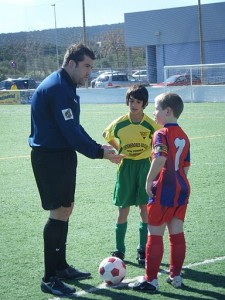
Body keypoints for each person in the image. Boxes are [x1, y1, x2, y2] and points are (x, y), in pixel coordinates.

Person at [29, 43, 122, 297]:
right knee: (58, 212)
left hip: (61, 156)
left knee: (65, 209)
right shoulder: (59, 88)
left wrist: (96, 146)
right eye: (86, 66)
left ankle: (61, 267)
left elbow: (74, 127)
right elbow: (70, 133)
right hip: (50, 158)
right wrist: (99, 152)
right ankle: (50, 278)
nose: (89, 72)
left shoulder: (65, 85)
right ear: (71, 63)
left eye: (91, 67)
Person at [129, 92, 191, 292]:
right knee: (176, 232)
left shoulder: (160, 133)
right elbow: (186, 166)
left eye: (156, 109)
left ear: (168, 111)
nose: (154, 113)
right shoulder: (184, 135)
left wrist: (149, 180)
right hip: (182, 188)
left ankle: (151, 280)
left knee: (154, 233)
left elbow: (160, 158)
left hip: (164, 188)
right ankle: (176, 276)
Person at [102, 84, 161, 265]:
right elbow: (106, 134)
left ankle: (142, 249)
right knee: (123, 210)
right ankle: (119, 250)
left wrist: (153, 154)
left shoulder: (151, 124)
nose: (134, 104)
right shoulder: (121, 123)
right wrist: (119, 148)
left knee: (144, 208)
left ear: (144, 104)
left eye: (138, 101)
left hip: (144, 167)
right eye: (131, 101)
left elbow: (159, 138)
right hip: (126, 168)